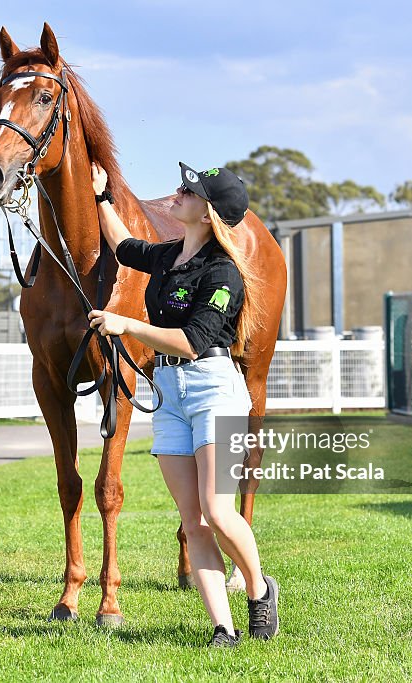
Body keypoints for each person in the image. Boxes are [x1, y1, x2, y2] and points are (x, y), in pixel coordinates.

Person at [87, 161, 279, 648]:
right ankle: (223, 628)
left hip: (213, 391)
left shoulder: (224, 273)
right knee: (192, 520)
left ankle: (259, 590)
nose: (176, 194)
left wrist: (126, 326)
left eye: (188, 192)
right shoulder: (171, 254)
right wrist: (102, 197)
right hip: (170, 396)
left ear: (208, 213)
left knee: (216, 510)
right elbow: (125, 247)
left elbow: (193, 341)